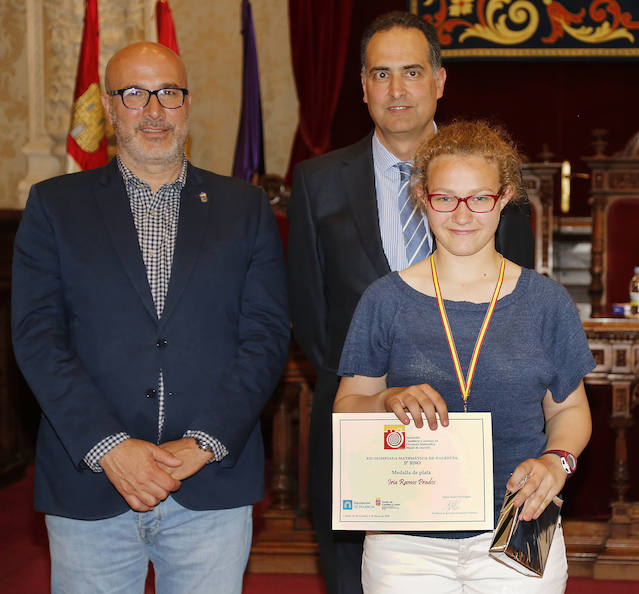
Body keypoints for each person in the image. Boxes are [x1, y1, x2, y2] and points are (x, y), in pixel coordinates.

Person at [11, 42, 290, 593]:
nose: (154, 109)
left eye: (169, 93)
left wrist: (205, 441)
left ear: (187, 104)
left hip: (211, 481)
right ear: (109, 110)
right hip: (90, 482)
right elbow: (38, 338)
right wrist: (109, 447)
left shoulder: (245, 207)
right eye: (134, 94)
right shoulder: (53, 207)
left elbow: (265, 336)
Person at [286, 11, 534, 594]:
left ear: (440, 81)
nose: (397, 90)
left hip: (479, 422)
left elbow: (515, 301)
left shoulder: (495, 179)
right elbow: (310, 311)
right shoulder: (317, 181)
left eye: (413, 72)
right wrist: (373, 389)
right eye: (381, 74)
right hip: (361, 425)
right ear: (363, 86)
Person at [333, 120, 592, 593]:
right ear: (421, 196)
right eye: (445, 198)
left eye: (479, 198)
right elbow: (347, 406)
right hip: (403, 539)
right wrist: (388, 398)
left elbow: (570, 409)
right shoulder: (384, 300)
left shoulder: (546, 302)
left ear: (505, 197)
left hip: (518, 523)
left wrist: (558, 461)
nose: (462, 214)